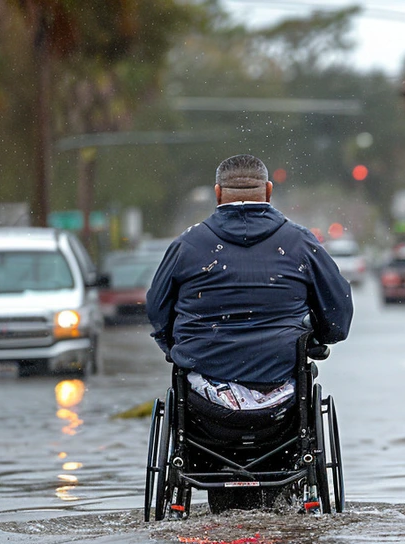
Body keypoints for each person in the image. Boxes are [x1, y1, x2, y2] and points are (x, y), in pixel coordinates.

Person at [146, 154, 353, 398]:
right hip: (282, 387)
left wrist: (174, 347)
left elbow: (157, 311)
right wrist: (318, 339)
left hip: (203, 399)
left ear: (217, 192)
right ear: (268, 190)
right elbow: (337, 317)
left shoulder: (188, 245)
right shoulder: (301, 243)